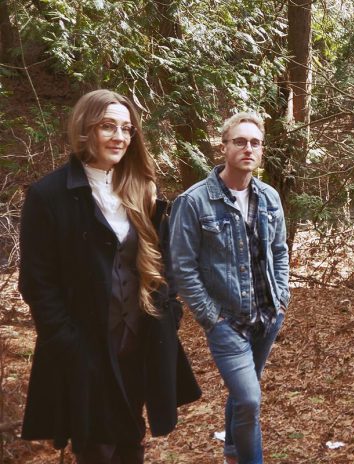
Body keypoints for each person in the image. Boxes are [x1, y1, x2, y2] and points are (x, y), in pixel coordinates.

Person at [18, 89, 201, 463]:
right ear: (85, 130)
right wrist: (67, 341)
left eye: (127, 129)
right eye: (108, 127)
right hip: (85, 345)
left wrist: (169, 313)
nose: (119, 137)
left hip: (139, 338)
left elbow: (164, 262)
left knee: (131, 439)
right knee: (96, 446)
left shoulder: (142, 189)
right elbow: (38, 282)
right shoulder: (49, 195)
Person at [169, 111, 290, 464]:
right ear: (223, 147)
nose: (247, 148)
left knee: (243, 393)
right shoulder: (194, 201)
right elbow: (182, 266)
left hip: (267, 318)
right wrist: (211, 317)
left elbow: (280, 252)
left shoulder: (269, 197)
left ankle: (233, 452)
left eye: (255, 142)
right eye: (239, 141)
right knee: (250, 399)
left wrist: (281, 299)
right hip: (227, 324)